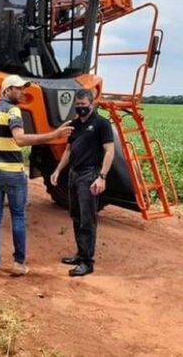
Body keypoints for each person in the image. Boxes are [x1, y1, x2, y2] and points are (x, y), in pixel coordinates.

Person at [0, 75, 73, 277]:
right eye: (18, 89)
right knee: (18, 216)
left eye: (23, 88)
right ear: (7, 90)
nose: (22, 92)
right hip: (11, 172)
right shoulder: (13, 110)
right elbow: (21, 139)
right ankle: (18, 264)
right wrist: (53, 135)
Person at [50, 88, 114, 276]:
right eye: (77, 105)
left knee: (88, 219)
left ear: (92, 104)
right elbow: (69, 150)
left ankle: (87, 262)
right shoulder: (74, 124)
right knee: (76, 216)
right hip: (74, 174)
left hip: (90, 174)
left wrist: (102, 177)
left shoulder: (102, 124)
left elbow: (109, 151)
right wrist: (58, 170)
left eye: (83, 105)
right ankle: (80, 253)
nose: (80, 108)